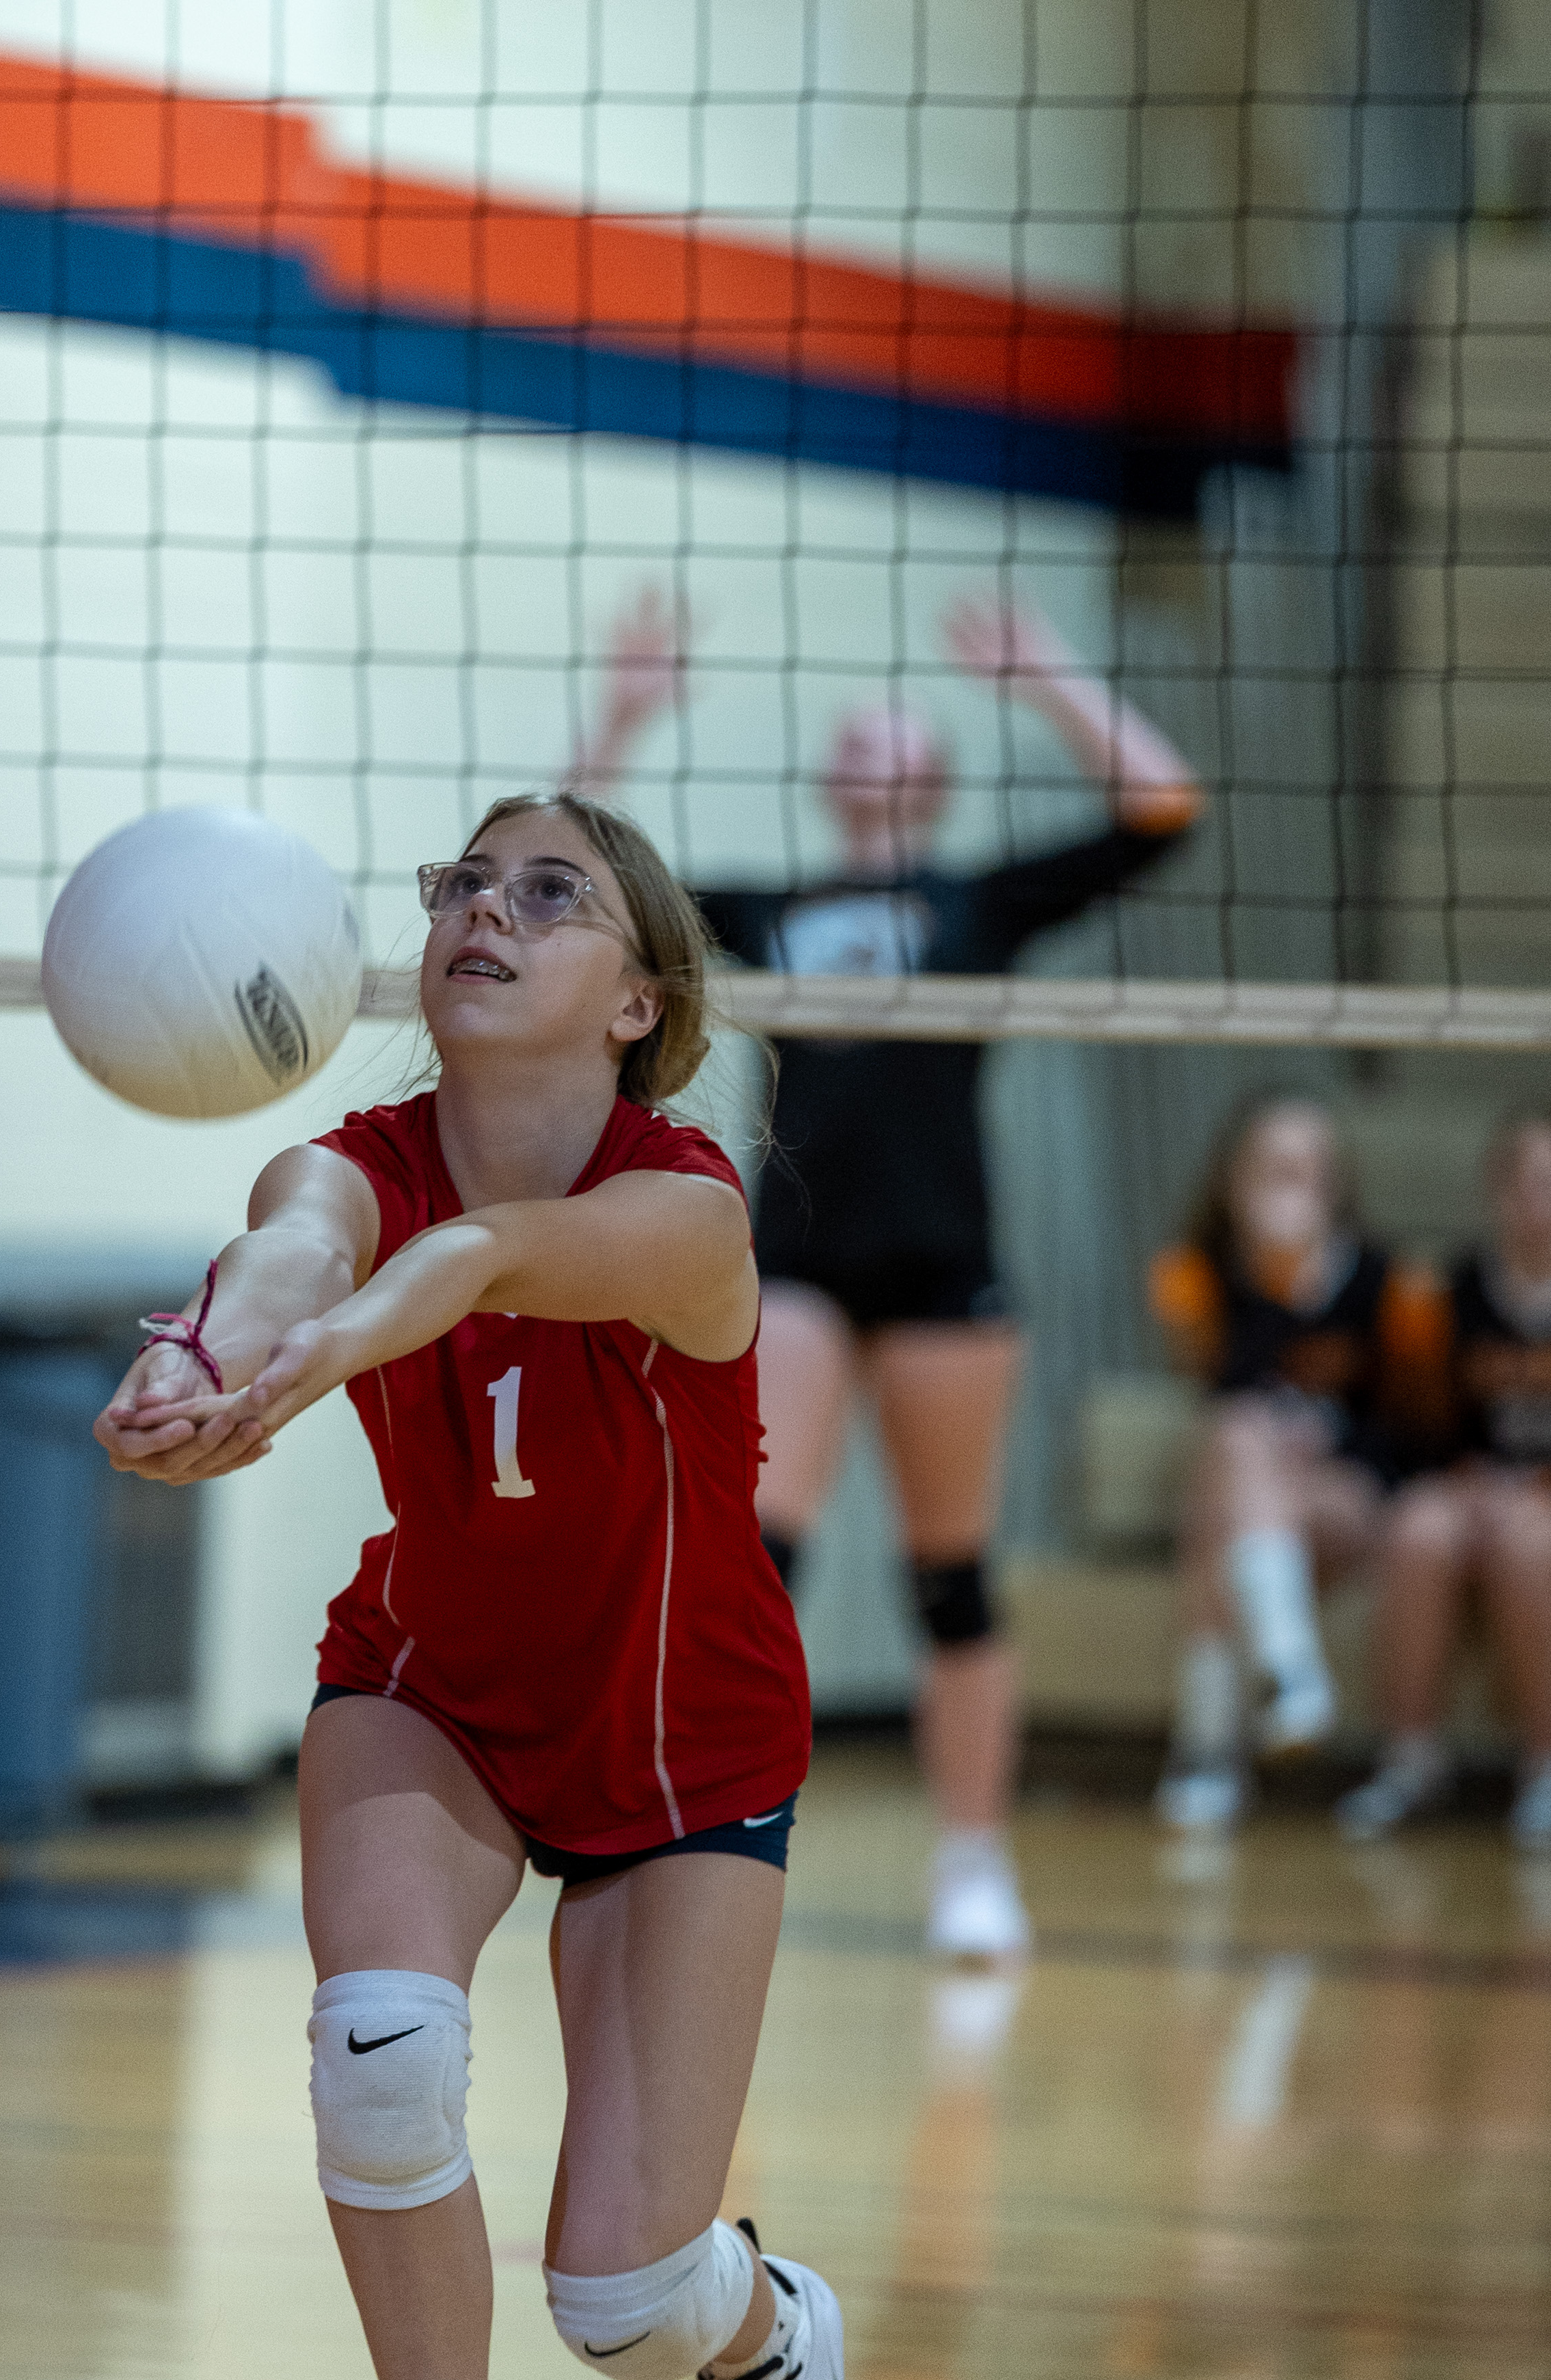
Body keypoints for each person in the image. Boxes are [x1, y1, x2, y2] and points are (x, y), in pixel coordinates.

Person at [97, 791, 865, 2380]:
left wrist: (325, 1345)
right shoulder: (346, 1163)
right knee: (378, 2056)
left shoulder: (688, 1206)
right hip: (428, 1686)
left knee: (622, 2301)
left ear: (635, 1000)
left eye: (547, 893)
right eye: (461, 884)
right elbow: (292, 1241)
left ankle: (766, 2337)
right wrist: (202, 1350)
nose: (482, 912)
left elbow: (492, 1257)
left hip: (675, 1736)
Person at [571, 586, 1202, 1957]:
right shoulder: (770, 905)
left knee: (948, 1574)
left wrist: (1050, 673)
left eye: (893, 732)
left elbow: (1165, 809)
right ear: (832, 778)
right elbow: (575, 879)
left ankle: (973, 1859)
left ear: (936, 774)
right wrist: (621, 715)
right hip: (794, 1260)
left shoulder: (982, 899)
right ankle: (698, 1832)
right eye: (851, 735)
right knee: (755, 1554)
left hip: (941, 1265)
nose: (867, 746)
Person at [1148, 1094, 1431, 1834]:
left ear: (1335, 1186)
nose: (1291, 1187)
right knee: (1235, 1452)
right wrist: (1275, 1281)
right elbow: (1219, 1383)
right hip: (1254, 1492)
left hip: (1349, 1496)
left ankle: (1210, 1748)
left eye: (1307, 1171)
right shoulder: (1194, 1274)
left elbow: (1414, 1421)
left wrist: (1324, 1445)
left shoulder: (1389, 1282)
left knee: (1224, 1501)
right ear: (1233, 1183)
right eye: (1273, 1171)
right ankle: (1286, 1676)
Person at [1338, 1110, 1551, 1846]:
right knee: (1418, 1529)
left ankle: (1545, 1767)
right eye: (1528, 1182)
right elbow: (1413, 1430)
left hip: (1537, 1505)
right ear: (1497, 1191)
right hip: (1473, 1488)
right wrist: (1465, 1480)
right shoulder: (1445, 1298)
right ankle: (1411, 1759)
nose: (1541, 1200)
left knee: (1529, 1543)